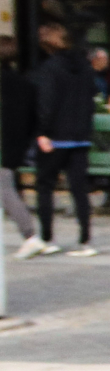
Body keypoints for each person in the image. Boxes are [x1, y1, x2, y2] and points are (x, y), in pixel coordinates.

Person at [28, 20, 98, 256]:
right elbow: (91, 99)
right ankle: (85, 240)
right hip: (81, 135)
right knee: (79, 188)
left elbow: (46, 103)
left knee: (45, 186)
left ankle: (47, 237)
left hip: (56, 136)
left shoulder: (49, 69)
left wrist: (42, 132)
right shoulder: (85, 67)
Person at [1, 34, 43, 257]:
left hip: (3, 145)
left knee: (4, 188)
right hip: (15, 145)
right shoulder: (24, 84)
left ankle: (30, 235)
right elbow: (33, 119)